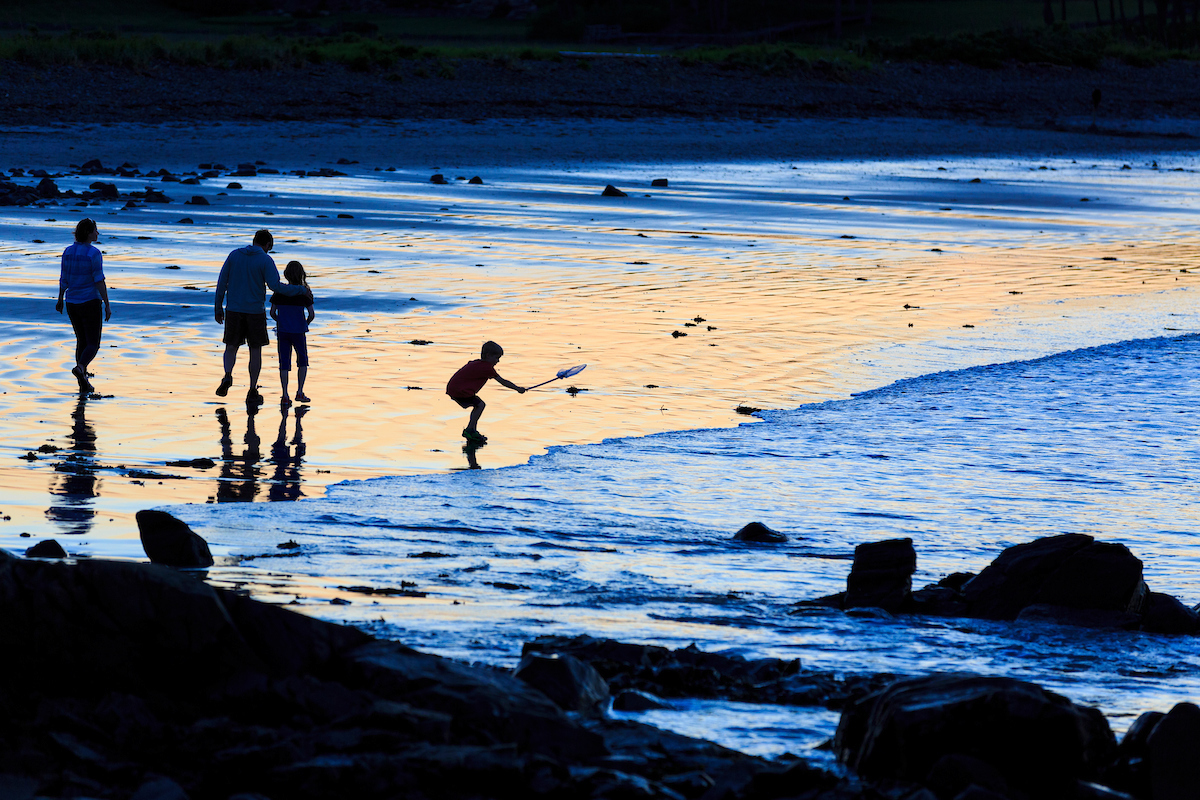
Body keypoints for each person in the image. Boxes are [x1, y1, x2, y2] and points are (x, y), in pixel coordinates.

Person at [214, 230, 309, 406]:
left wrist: (218, 307)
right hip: (255, 311)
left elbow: (222, 282)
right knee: (255, 349)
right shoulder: (265, 260)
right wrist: (300, 290)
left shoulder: (234, 255)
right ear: (267, 245)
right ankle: (252, 389)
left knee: (231, 346)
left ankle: (228, 375)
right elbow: (276, 287)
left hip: (234, 309)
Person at [55, 218, 111, 394]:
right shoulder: (93, 254)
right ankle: (80, 368)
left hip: (72, 302)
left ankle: (83, 380)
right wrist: (107, 304)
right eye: (95, 230)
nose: (98, 233)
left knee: (81, 340)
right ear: (88, 232)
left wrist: (60, 299)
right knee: (93, 343)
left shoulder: (68, 252)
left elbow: (64, 278)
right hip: (90, 302)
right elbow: (99, 281)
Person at [445, 340, 526, 443]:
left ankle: (472, 430)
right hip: (460, 391)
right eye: (496, 358)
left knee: (478, 404)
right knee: (480, 405)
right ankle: (470, 430)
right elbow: (503, 382)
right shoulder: (487, 368)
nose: (498, 361)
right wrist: (518, 388)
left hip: (454, 388)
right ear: (488, 356)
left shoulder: (477, 363)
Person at [269, 260, 315, 406]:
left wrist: (280, 320)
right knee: (302, 361)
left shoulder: (280, 292)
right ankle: (300, 391)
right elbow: (312, 314)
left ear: (286, 275)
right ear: (301, 274)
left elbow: (272, 312)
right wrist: (304, 323)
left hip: (283, 331)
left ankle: (285, 394)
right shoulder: (304, 293)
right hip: (298, 332)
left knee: (284, 362)